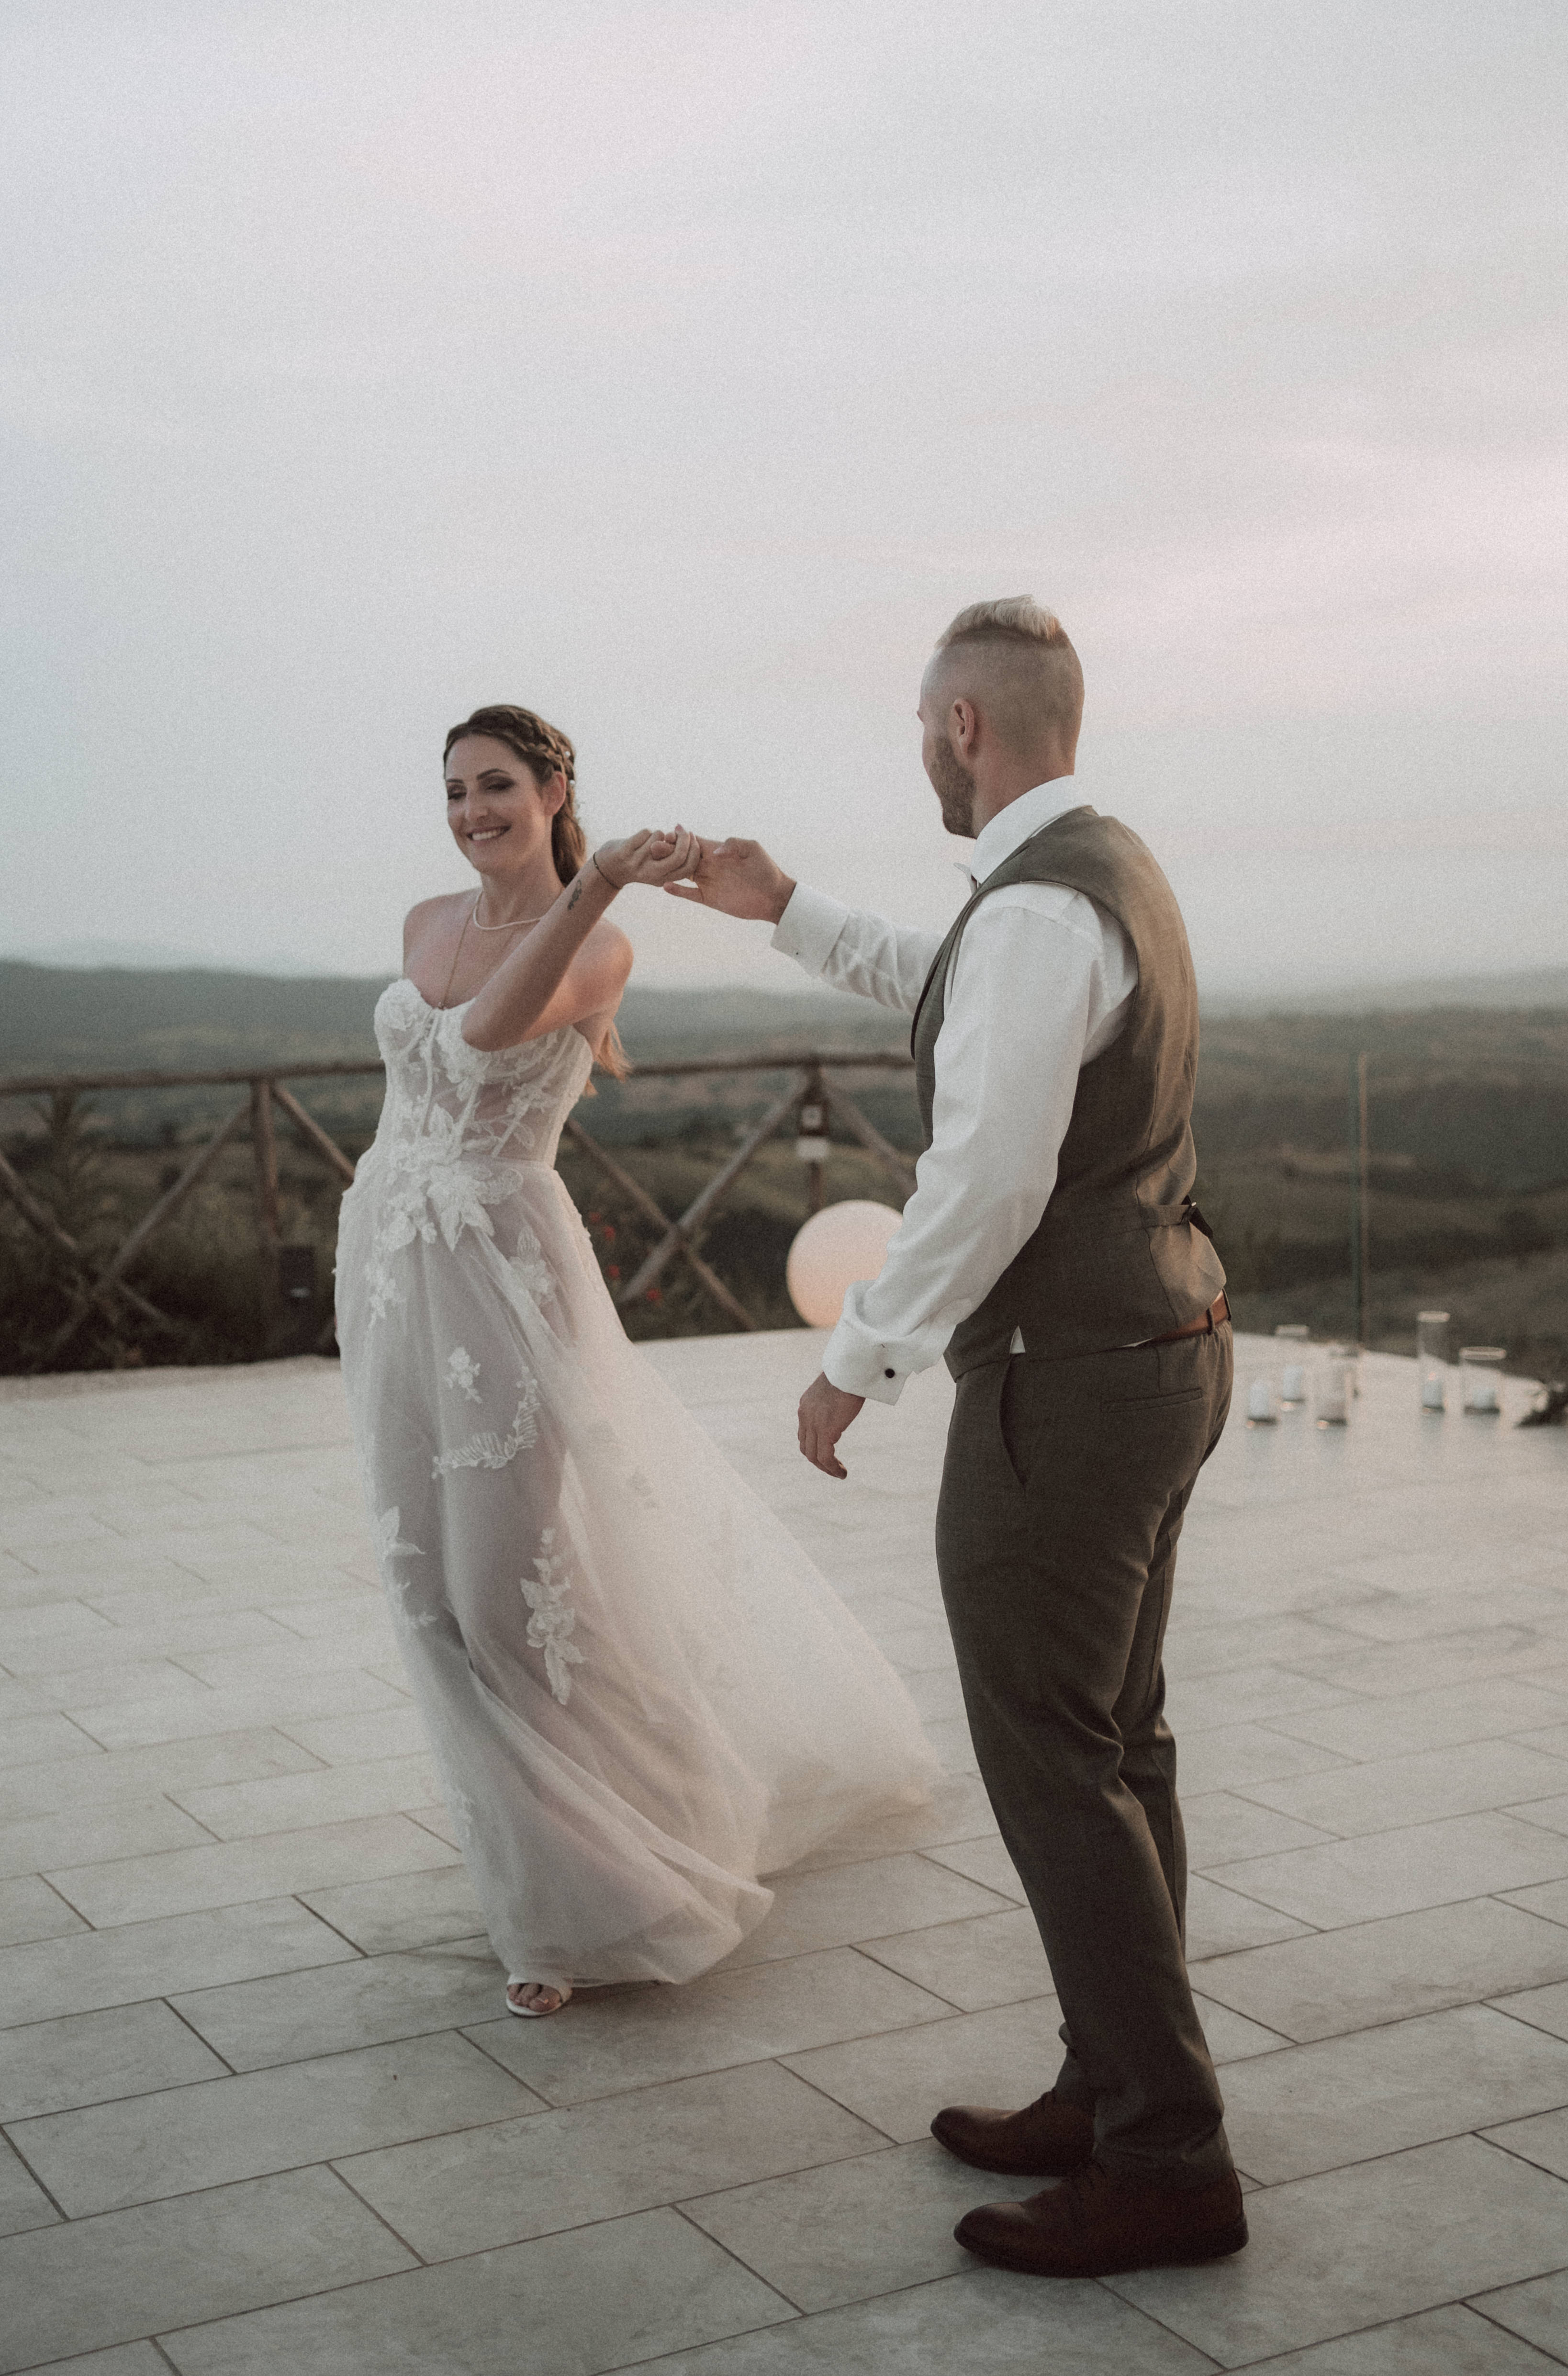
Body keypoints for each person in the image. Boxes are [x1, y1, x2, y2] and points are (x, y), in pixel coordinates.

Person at [668, 600, 1243, 2278]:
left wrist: (859, 1356)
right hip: (1161, 1344)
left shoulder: (1040, 906)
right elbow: (958, 988)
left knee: (1056, 1754)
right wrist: (787, 907)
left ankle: (1167, 2158)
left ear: (964, 728)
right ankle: (1116, 2085)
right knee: (1117, 1740)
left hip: (1067, 1384)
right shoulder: (1093, 874)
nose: (920, 745)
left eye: (925, 722)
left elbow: (987, 1174)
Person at [334, 703, 936, 2018]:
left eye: (498, 785)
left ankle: (618, 1870)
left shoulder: (601, 942)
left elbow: (488, 1032)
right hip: (392, 1266)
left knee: (513, 1594)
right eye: (456, 789)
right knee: (427, 1586)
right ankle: (538, 1877)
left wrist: (601, 878)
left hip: (505, 1273)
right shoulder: (422, 919)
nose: (473, 811)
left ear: (555, 789)